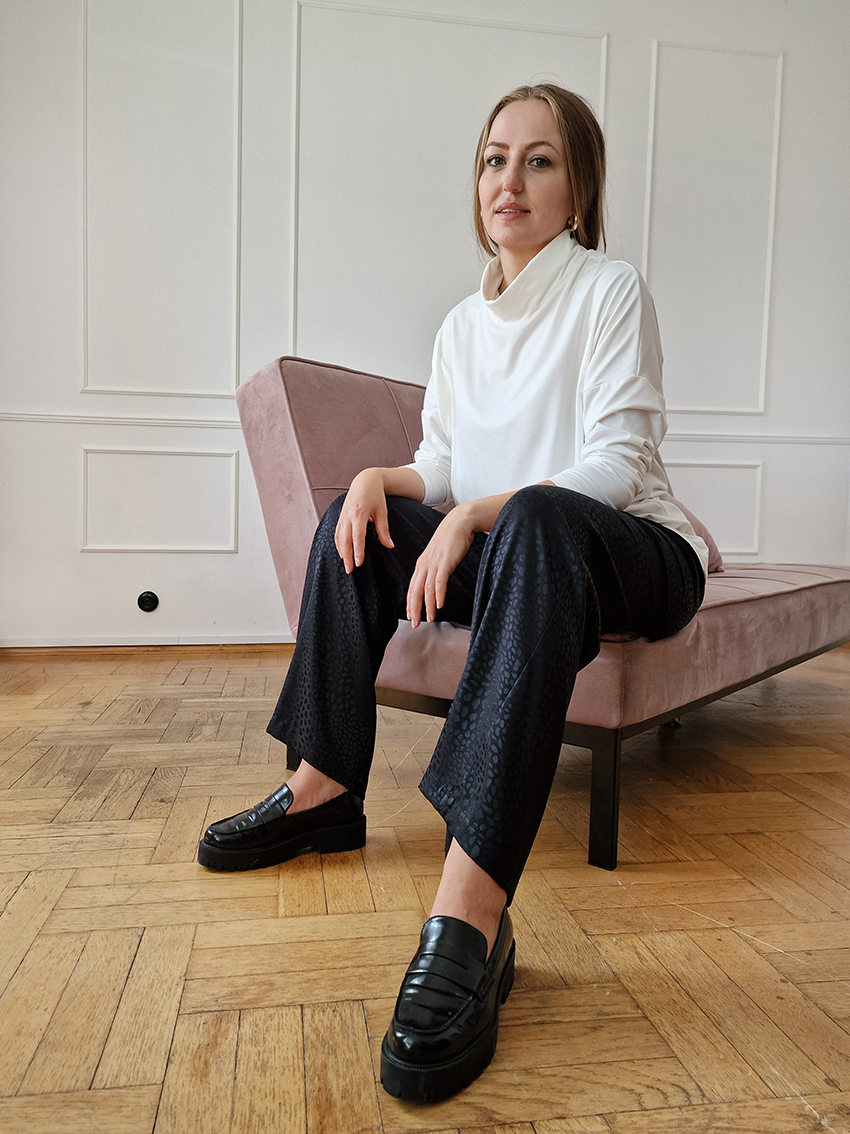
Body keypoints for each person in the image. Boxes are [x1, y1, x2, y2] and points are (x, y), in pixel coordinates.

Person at [197, 83, 708, 1103]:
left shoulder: (609, 290)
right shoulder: (461, 325)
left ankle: (472, 910)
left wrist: (478, 515)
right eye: (492, 159)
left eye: (538, 160)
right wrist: (384, 480)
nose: (508, 180)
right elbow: (442, 461)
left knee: (536, 517)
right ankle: (323, 788)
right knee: (355, 520)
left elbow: (614, 466)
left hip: (634, 554)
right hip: (521, 549)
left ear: (578, 189)